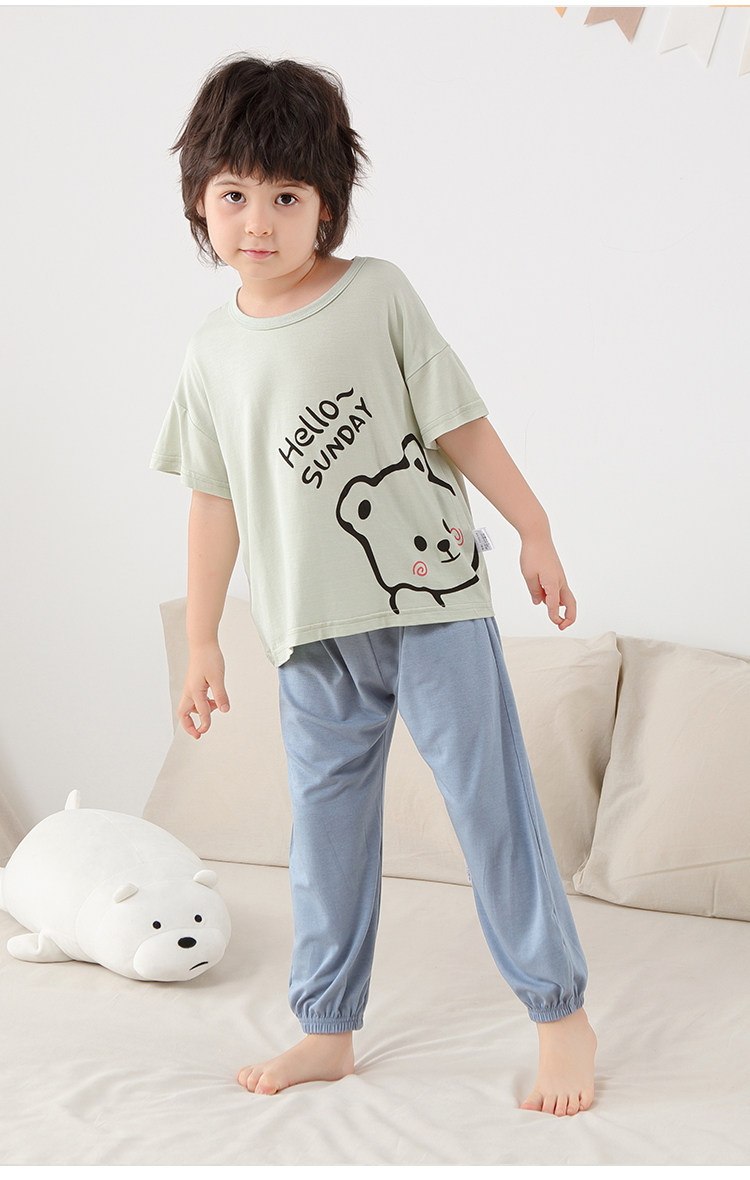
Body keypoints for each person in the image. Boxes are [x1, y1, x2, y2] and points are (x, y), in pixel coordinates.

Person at [151, 54, 596, 1117]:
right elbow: (213, 503)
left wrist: (533, 528)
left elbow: (458, 421)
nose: (258, 221)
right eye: (234, 194)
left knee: (491, 808)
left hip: (433, 607)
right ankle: (326, 1026)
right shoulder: (210, 354)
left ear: (328, 206)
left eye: (286, 196)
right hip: (309, 634)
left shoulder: (378, 294)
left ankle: (559, 1014)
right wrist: (204, 639)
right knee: (327, 835)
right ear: (200, 202)